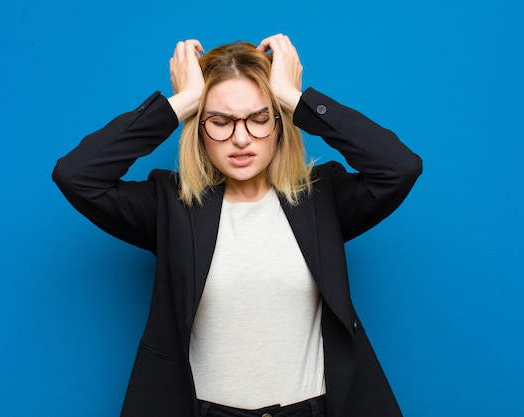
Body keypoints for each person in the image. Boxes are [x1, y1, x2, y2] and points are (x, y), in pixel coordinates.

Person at [53, 33, 422, 417]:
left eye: (260, 118)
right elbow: (77, 175)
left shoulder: (321, 199)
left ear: (280, 124)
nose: (241, 138)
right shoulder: (169, 205)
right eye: (220, 121)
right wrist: (180, 104)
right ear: (199, 128)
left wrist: (295, 98)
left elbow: (399, 168)